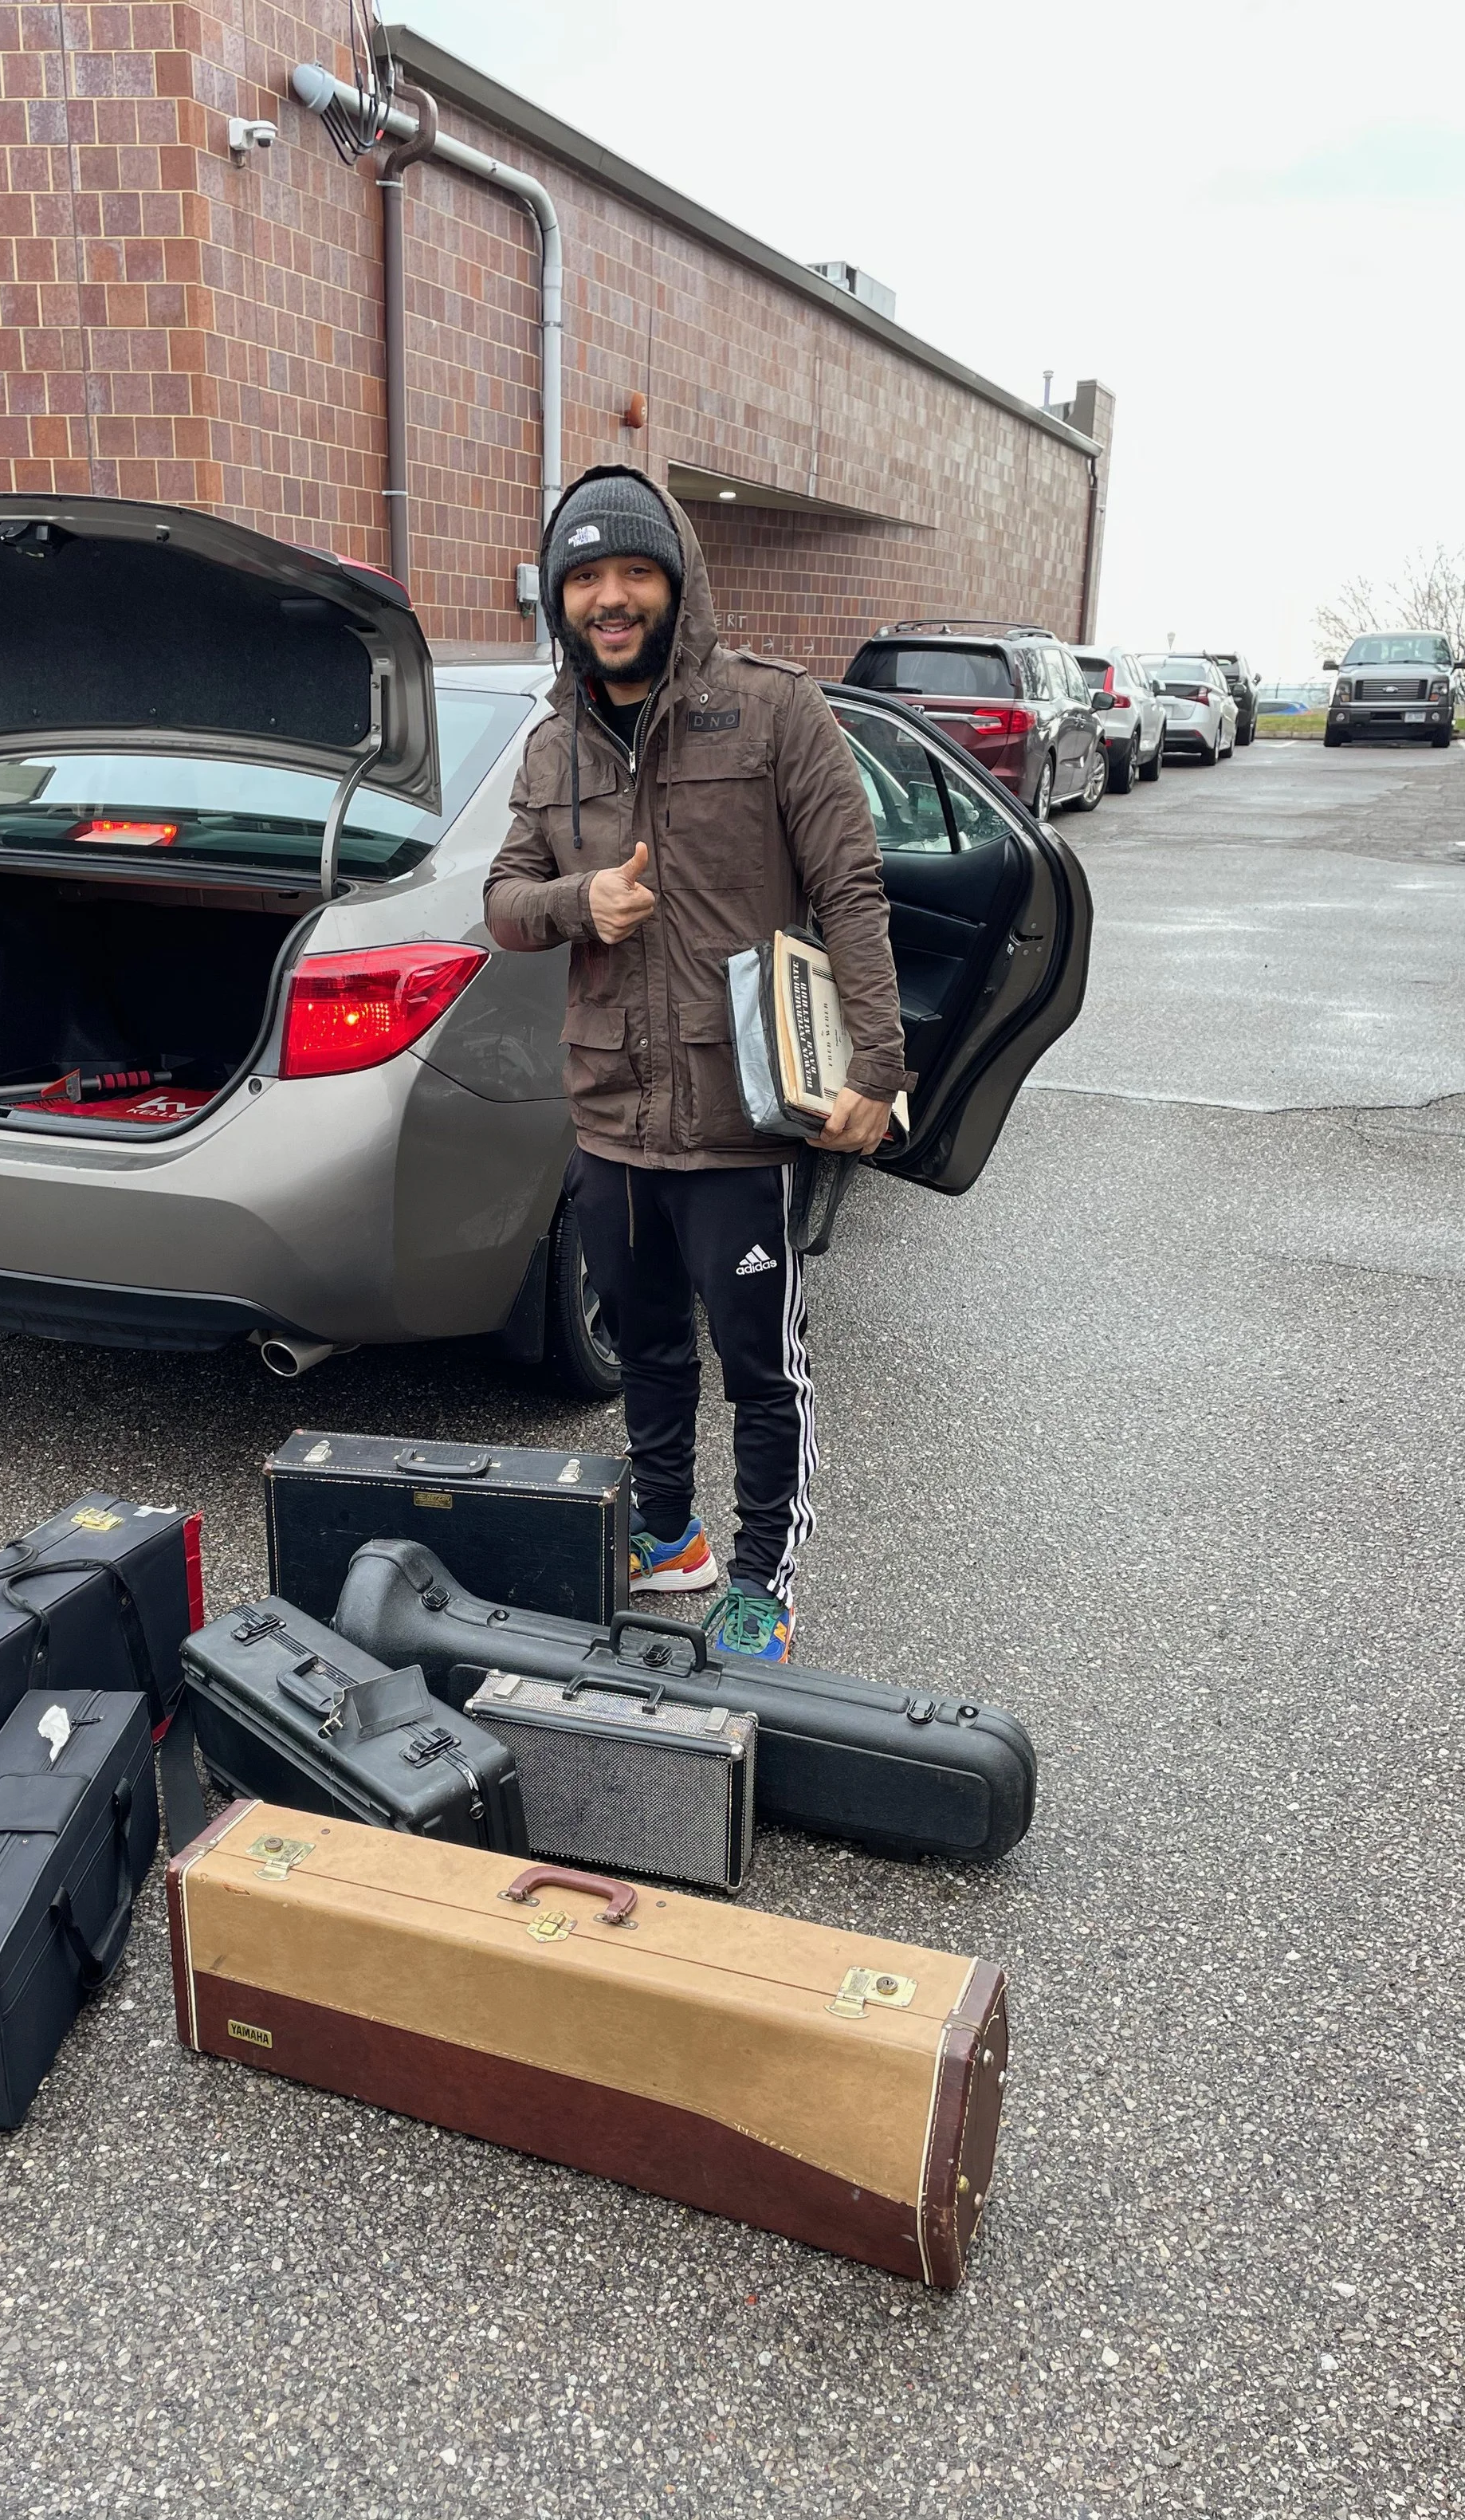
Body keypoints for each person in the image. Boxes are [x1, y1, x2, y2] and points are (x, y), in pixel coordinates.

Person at [484, 467, 911, 1664]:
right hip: (612, 1114)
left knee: (760, 1368)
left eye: (631, 573)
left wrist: (875, 1068)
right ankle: (669, 1535)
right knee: (649, 1349)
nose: (608, 599)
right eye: (584, 578)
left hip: (739, 1116)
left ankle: (765, 1579)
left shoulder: (774, 713)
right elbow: (505, 906)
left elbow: (851, 891)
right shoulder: (551, 745)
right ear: (562, 599)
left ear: (675, 581)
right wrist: (583, 902)